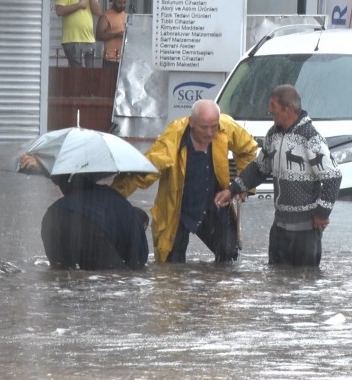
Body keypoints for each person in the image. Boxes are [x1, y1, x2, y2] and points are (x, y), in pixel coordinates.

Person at [110, 99, 258, 264]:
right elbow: (144, 170)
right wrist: (112, 196)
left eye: (214, 127)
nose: (210, 133)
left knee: (229, 259)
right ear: (191, 122)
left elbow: (249, 149)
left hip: (214, 207)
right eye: (204, 127)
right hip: (179, 211)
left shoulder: (226, 126)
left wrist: (242, 185)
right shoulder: (173, 137)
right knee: (171, 267)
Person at [214, 84, 342, 267]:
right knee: (276, 284)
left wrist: (322, 214)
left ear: (287, 109)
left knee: (305, 286)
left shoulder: (311, 138)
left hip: (306, 232)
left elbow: (333, 177)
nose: (269, 110)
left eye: (272, 106)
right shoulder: (273, 135)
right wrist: (233, 190)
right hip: (279, 229)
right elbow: (259, 168)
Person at [19, 155, 149, 270]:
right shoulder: (133, 222)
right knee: (110, 280)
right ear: (143, 224)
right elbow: (138, 262)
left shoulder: (94, 193)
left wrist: (44, 165)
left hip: (53, 217)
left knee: (61, 277)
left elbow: (71, 179)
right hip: (90, 229)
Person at [55, 0, 103, 68]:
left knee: (90, 74)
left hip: (89, 40)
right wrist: (78, 5)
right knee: (78, 74)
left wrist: (93, 1)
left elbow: (98, 12)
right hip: (73, 40)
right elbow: (59, 10)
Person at [95, 0, 128, 70]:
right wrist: (116, 35)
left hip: (124, 58)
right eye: (119, 3)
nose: (122, 5)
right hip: (110, 59)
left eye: (124, 3)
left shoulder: (125, 15)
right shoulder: (106, 16)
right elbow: (99, 36)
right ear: (113, 1)